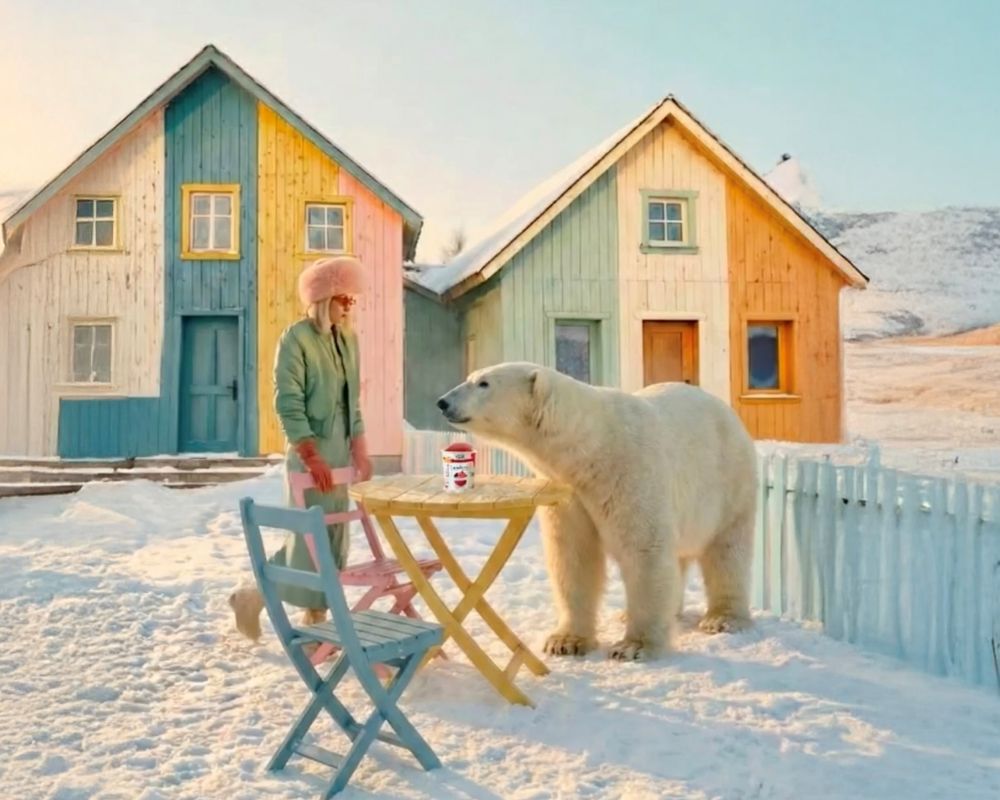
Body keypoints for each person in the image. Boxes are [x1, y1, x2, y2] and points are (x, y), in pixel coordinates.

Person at [229, 255, 372, 640]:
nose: (350, 306)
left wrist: (359, 447)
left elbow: (352, 402)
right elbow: (287, 403)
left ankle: (287, 606)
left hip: (339, 455)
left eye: (352, 300)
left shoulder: (348, 341)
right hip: (310, 456)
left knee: (334, 538)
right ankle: (302, 616)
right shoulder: (296, 340)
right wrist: (311, 454)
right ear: (326, 299)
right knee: (309, 542)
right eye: (345, 299)